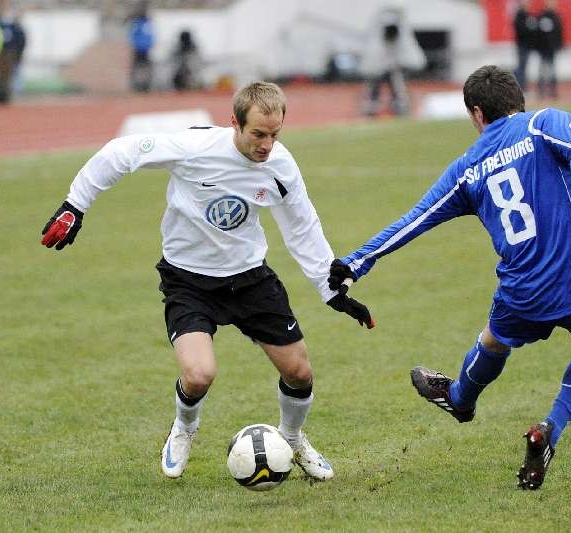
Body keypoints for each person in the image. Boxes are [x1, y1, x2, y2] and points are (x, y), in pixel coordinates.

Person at [327, 65, 571, 490]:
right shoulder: (544, 124)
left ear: (476, 114)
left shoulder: (466, 169)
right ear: (518, 100)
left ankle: (460, 401)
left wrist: (356, 262)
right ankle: (550, 427)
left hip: (524, 293)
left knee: (494, 338)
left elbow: (414, 220)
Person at [40, 82, 374, 481]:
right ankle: (183, 428)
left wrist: (331, 289)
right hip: (188, 280)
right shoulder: (195, 149)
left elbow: (301, 226)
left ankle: (291, 439)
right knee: (199, 375)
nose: (267, 145)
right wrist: (74, 205)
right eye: (258, 135)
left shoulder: (280, 166)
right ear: (234, 122)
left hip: (250, 279)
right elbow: (121, 152)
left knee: (299, 372)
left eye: (274, 135)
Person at [361, 6, 426, 117]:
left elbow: (409, 52)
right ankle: (372, 109)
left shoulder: (400, 39)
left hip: (393, 67)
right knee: (375, 88)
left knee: (397, 88)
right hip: (379, 67)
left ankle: (399, 107)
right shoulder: (377, 42)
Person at [534, 0, 563, 99]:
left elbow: (559, 32)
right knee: (543, 70)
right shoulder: (542, 16)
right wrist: (537, 46)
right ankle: (541, 90)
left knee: (552, 70)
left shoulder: (556, 17)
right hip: (543, 49)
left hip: (552, 49)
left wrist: (559, 45)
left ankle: (552, 90)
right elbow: (537, 33)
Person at [512, 0, 537, 94]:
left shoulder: (527, 15)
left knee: (523, 67)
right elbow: (520, 30)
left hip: (526, 45)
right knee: (521, 68)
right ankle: (521, 88)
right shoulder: (519, 15)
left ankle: (522, 87)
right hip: (522, 45)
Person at [128, 1, 153, 92]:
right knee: (137, 67)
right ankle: (136, 84)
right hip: (139, 49)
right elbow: (133, 35)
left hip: (145, 49)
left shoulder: (147, 23)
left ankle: (146, 84)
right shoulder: (138, 23)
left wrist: (149, 44)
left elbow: (151, 36)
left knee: (145, 67)